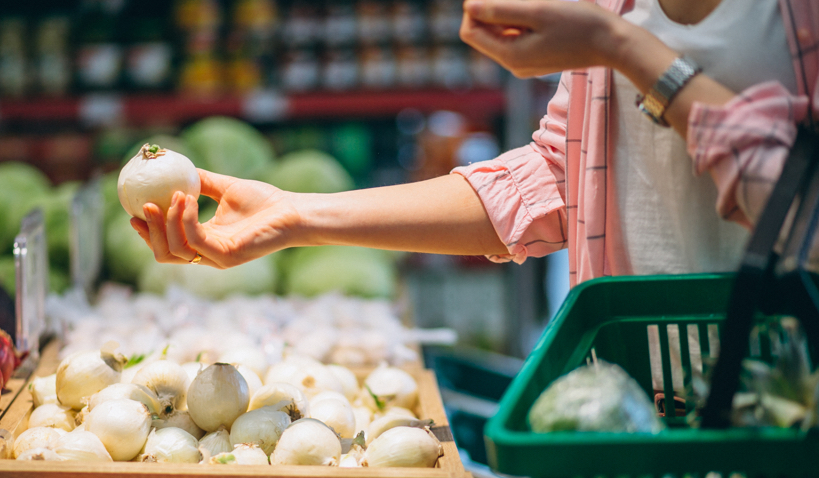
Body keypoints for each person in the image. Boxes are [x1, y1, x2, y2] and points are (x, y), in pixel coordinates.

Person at [131, 0, 818, 290]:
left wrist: (628, 53)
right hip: (637, 399)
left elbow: (805, 214)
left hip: (791, 406)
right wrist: (299, 217)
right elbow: (556, 178)